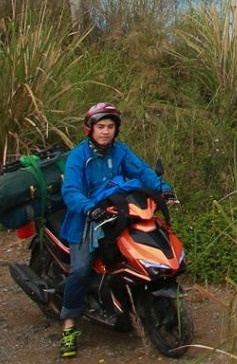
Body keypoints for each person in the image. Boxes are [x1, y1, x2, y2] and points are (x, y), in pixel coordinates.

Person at [56, 102, 170, 359]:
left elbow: (142, 171)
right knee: (82, 269)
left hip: (117, 214)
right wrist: (89, 209)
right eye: (100, 127)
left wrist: (164, 188)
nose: (106, 132)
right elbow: (71, 191)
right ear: (90, 129)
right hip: (85, 220)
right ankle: (69, 326)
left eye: (110, 127)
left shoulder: (120, 151)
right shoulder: (79, 156)